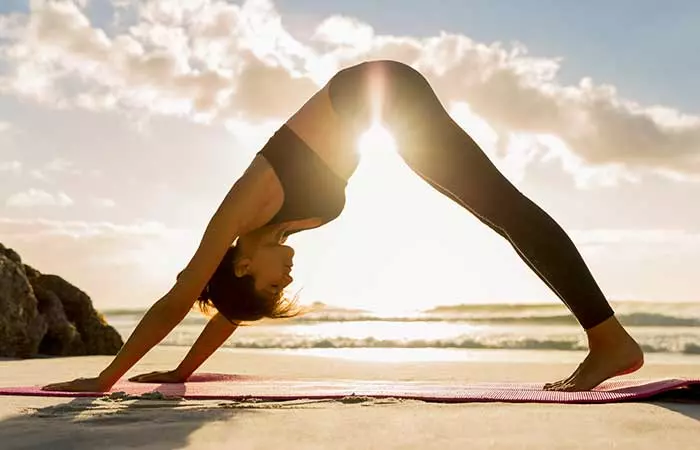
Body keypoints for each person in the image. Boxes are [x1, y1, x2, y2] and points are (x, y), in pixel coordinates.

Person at [42, 60, 643, 393]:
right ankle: (606, 338)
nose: (288, 279)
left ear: (242, 264)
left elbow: (182, 295)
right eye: (282, 292)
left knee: (506, 211)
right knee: (502, 216)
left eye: (272, 287)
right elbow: (228, 310)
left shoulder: (239, 210)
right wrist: (181, 371)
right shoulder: (270, 236)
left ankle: (609, 340)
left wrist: (106, 378)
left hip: (379, 93)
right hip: (385, 106)